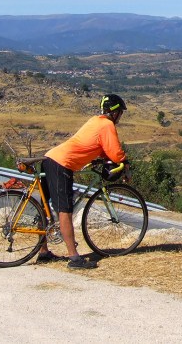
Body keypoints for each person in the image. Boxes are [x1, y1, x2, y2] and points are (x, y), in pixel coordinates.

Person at [36, 93, 130, 269]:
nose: (120, 118)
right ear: (115, 112)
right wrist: (125, 164)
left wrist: (98, 156)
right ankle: (74, 258)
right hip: (62, 164)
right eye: (121, 113)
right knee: (65, 210)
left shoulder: (95, 121)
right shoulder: (107, 125)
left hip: (50, 158)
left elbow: (97, 145)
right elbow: (115, 151)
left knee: (45, 207)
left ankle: (43, 252)